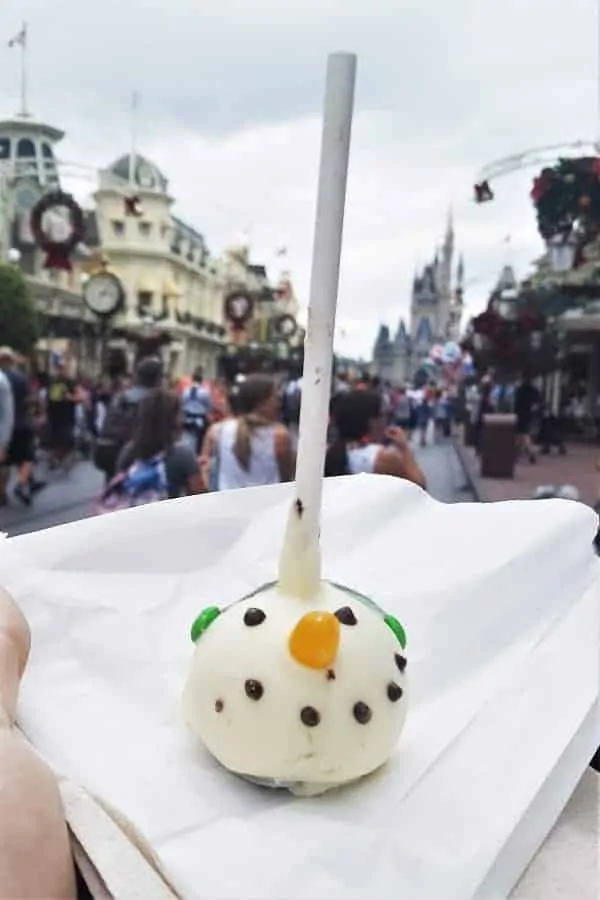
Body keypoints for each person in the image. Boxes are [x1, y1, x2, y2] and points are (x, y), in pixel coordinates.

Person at [101, 388, 203, 511]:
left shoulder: (129, 450)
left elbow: (119, 489)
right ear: (173, 419)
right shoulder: (183, 454)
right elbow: (200, 499)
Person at [201, 374, 294, 491]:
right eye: (275, 398)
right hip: (267, 506)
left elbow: (204, 467)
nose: (279, 403)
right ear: (261, 402)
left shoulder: (217, 431)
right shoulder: (279, 436)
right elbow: (285, 480)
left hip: (227, 505)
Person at [324, 389, 426, 488]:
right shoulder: (384, 458)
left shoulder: (329, 452)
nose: (386, 420)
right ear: (372, 421)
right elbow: (419, 486)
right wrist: (404, 448)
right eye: (384, 415)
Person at [94, 356, 163, 481]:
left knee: (113, 485)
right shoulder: (154, 399)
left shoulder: (121, 396)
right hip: (131, 454)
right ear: (158, 378)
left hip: (107, 449)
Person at [0, 347, 45, 506]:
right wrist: (38, 414)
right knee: (27, 457)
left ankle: (2, 493)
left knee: (4, 461)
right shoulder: (21, 378)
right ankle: (21, 484)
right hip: (22, 424)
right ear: (11, 361)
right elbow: (33, 399)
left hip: (3, 426)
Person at [45, 361, 78, 469]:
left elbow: (79, 396)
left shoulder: (70, 382)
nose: (61, 371)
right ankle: (55, 457)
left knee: (66, 438)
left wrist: (71, 397)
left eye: (63, 368)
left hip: (67, 415)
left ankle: (62, 457)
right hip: (55, 415)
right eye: (59, 369)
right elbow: (50, 398)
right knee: (56, 438)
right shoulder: (53, 382)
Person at [181, 366, 213, 453]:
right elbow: (209, 406)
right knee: (201, 439)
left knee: (185, 436)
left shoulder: (186, 391)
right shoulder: (205, 392)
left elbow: (182, 404)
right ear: (201, 380)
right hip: (200, 418)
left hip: (187, 416)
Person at [514, 374, 541, 464]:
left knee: (521, 435)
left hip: (520, 414)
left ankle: (524, 453)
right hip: (528, 414)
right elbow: (537, 403)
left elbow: (516, 403)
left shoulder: (519, 390)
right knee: (524, 434)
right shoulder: (534, 390)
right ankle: (521, 454)